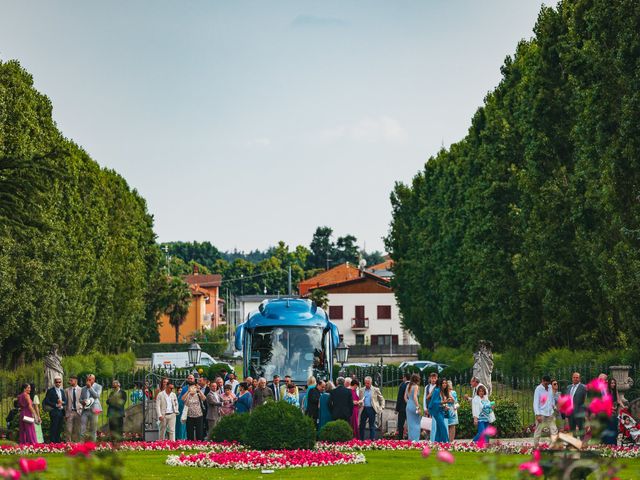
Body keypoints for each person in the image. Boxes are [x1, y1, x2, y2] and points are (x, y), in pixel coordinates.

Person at [533, 375, 558, 447]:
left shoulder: (550, 387)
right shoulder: (538, 389)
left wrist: (554, 406)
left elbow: (552, 398)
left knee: (554, 430)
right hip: (541, 413)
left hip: (550, 413)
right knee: (538, 431)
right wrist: (537, 415)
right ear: (542, 381)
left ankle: (553, 446)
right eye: (546, 383)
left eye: (548, 383)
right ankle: (536, 447)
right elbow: (535, 402)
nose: (547, 385)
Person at [358, 376, 385, 440]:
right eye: (365, 383)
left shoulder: (375, 389)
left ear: (371, 382)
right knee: (362, 425)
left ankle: (372, 439)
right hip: (364, 408)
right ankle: (361, 439)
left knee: (372, 425)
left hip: (372, 409)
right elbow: (359, 399)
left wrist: (382, 407)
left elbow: (381, 399)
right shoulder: (361, 390)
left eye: (368, 383)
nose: (366, 384)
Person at [43, 376, 67, 443]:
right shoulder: (50, 391)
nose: (58, 383)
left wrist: (63, 402)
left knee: (59, 427)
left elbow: (65, 401)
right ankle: (52, 442)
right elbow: (47, 401)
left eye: (60, 382)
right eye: (57, 382)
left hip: (61, 412)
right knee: (54, 427)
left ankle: (58, 441)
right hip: (54, 411)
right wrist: (56, 405)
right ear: (54, 382)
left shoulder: (62, 391)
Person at [80, 374, 102, 441]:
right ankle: (81, 443)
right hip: (85, 410)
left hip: (94, 410)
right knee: (82, 427)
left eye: (89, 380)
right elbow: (80, 399)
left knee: (93, 428)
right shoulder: (83, 388)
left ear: (93, 380)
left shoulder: (98, 386)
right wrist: (82, 401)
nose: (88, 381)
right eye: (87, 380)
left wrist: (90, 388)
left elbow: (97, 396)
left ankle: (92, 444)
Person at [603, 377, 624, 445]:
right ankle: (607, 443)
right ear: (609, 384)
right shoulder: (606, 391)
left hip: (615, 411)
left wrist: (624, 407)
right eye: (612, 383)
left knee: (614, 427)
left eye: (614, 383)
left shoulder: (615, 390)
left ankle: (614, 444)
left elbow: (618, 400)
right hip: (608, 411)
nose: (613, 384)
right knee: (609, 427)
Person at [565, 372, 587, 439]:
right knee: (572, 430)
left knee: (581, 430)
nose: (575, 379)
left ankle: (582, 445)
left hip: (579, 412)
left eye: (577, 377)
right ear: (572, 378)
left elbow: (586, 400)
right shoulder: (569, 387)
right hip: (570, 412)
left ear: (579, 378)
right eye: (574, 377)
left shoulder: (583, 387)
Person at [428, 378, 449, 443]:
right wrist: (443, 402)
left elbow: (440, 403)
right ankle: (446, 442)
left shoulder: (443, 391)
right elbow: (434, 402)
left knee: (439, 428)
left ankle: (437, 442)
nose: (444, 384)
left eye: (445, 383)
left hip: (441, 411)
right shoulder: (437, 390)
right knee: (443, 426)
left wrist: (445, 406)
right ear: (440, 384)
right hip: (436, 411)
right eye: (443, 383)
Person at [65, 376, 83, 442]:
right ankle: (68, 444)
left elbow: (83, 401)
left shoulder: (81, 390)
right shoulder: (67, 390)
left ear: (75, 381)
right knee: (68, 429)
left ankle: (77, 444)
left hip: (79, 412)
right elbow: (65, 402)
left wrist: (81, 409)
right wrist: (66, 413)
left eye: (71, 380)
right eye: (69, 380)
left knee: (78, 429)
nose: (69, 382)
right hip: (70, 412)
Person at [404, 374, 422, 442]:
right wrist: (417, 407)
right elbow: (415, 397)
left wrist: (409, 403)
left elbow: (405, 397)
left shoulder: (408, 385)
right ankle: (415, 440)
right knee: (416, 423)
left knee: (410, 423)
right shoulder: (416, 386)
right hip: (414, 405)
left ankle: (410, 439)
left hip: (408, 405)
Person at [423, 373, 438, 441]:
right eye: (432, 378)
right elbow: (424, 398)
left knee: (433, 423)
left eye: (435, 378)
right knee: (427, 423)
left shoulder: (437, 387)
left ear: (437, 379)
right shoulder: (427, 387)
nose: (433, 380)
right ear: (430, 379)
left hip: (435, 408)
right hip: (428, 407)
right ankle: (427, 436)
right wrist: (425, 408)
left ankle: (433, 437)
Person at [395, 373, 411, 440]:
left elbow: (399, 397)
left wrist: (397, 409)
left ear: (405, 377)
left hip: (402, 408)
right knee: (410, 423)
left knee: (400, 424)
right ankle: (410, 436)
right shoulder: (412, 385)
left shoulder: (403, 385)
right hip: (410, 407)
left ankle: (400, 437)